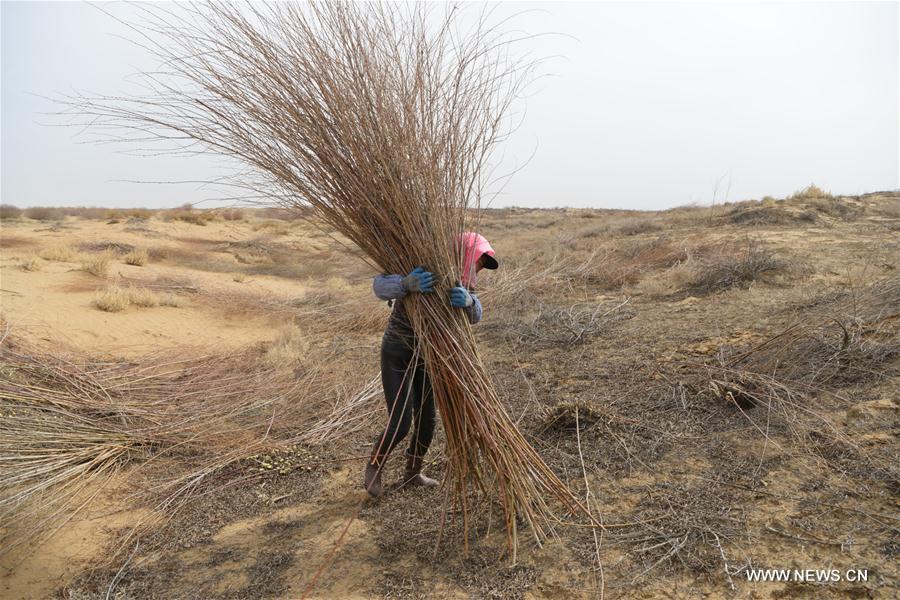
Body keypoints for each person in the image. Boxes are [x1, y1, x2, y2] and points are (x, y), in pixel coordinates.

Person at [363, 232, 499, 497]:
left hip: (430, 355)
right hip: (399, 352)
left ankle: (413, 473)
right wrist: (405, 283)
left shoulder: (462, 281)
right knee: (401, 422)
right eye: (479, 261)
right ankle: (374, 468)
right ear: (465, 253)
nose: (479, 268)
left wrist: (470, 302)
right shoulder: (419, 260)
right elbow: (379, 286)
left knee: (428, 419)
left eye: (482, 264)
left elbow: (476, 315)